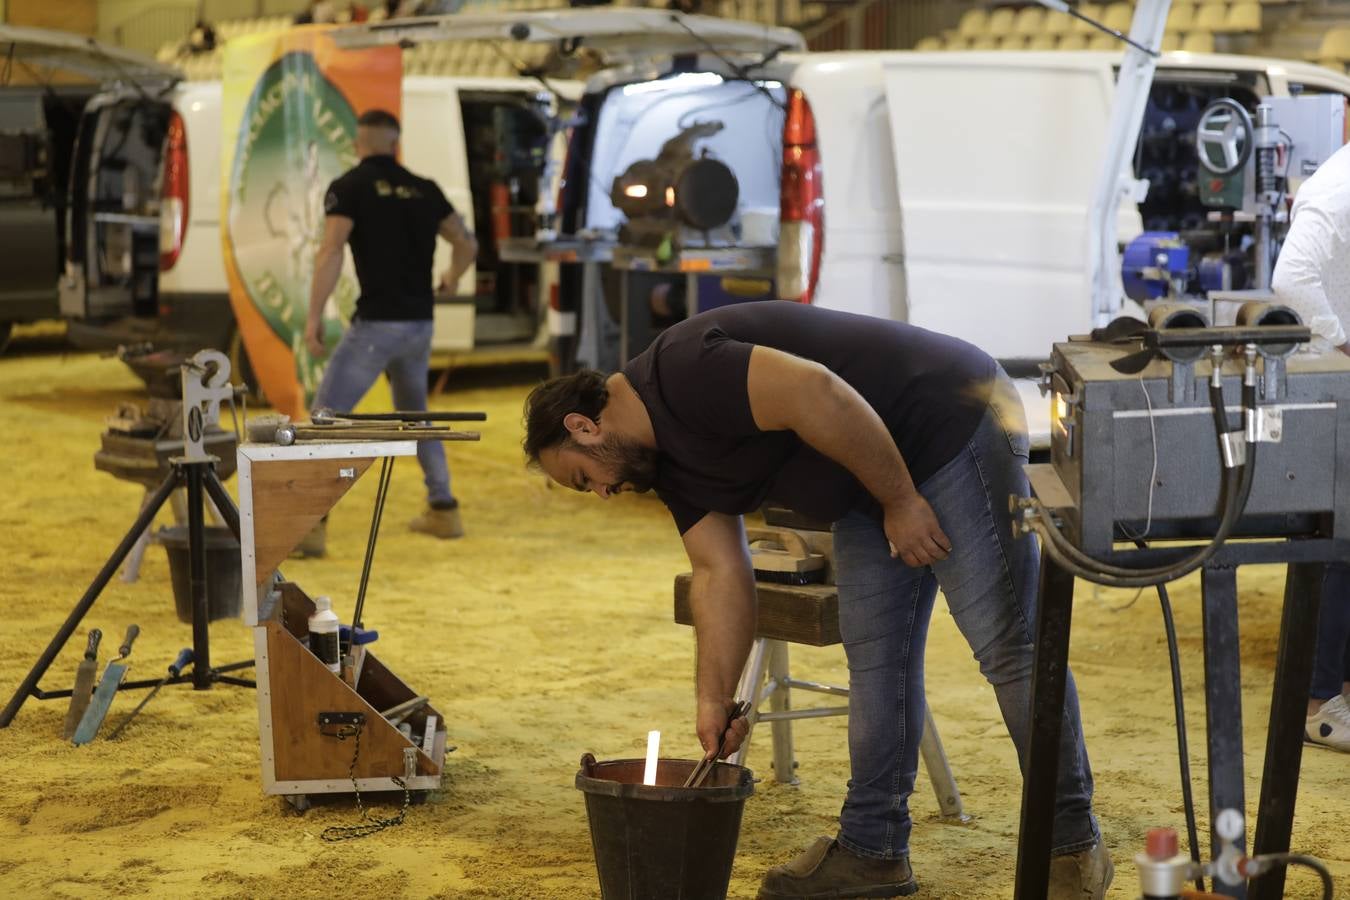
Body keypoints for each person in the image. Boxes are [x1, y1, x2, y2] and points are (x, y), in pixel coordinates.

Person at [521, 301, 1111, 898]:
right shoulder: (667, 469)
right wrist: (712, 699)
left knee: (1007, 644)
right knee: (878, 661)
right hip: (866, 479)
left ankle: (1071, 847)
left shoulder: (683, 371)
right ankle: (873, 849)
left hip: (948, 419)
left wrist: (902, 501)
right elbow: (719, 571)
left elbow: (818, 392)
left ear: (583, 426)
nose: (601, 493)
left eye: (582, 478)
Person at [305, 109, 478, 540]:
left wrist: (313, 318)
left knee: (326, 420)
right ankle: (443, 507)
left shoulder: (349, 188)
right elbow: (466, 242)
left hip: (376, 325)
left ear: (358, 143)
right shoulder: (424, 189)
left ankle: (308, 525)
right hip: (419, 325)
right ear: (395, 142)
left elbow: (330, 252)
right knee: (415, 415)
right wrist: (452, 278)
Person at [1271, 140, 1350, 752]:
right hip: (1333, 384)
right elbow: (1290, 277)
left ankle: (1336, 696)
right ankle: (1320, 704)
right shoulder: (1337, 189)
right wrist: (1344, 344)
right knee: (1334, 544)